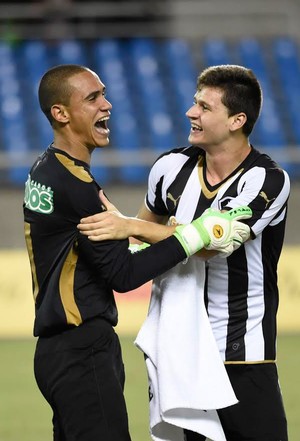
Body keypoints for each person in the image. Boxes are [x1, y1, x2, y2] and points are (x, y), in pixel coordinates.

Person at [23, 64, 252, 441]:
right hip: (83, 351)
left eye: (104, 94)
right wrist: (191, 237)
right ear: (60, 114)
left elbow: (103, 253)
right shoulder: (76, 186)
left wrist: (145, 230)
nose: (107, 104)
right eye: (93, 98)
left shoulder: (45, 169)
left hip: (54, 353)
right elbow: (123, 275)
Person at [78, 64, 290, 441]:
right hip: (179, 348)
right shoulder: (170, 167)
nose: (191, 113)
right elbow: (141, 241)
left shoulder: (267, 179)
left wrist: (132, 225)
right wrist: (124, 233)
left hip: (242, 350)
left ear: (237, 120)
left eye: (205, 108)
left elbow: (215, 245)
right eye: (195, 103)